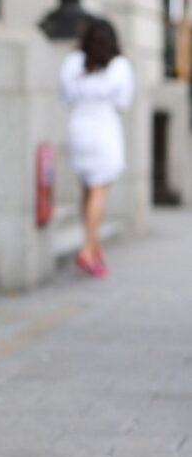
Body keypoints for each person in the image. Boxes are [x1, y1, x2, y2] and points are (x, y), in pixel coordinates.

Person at [59, 17, 134, 277]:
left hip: (79, 128)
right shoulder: (120, 65)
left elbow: (65, 96)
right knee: (99, 189)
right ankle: (88, 249)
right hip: (104, 129)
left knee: (88, 189)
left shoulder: (72, 62)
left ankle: (93, 246)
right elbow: (123, 101)